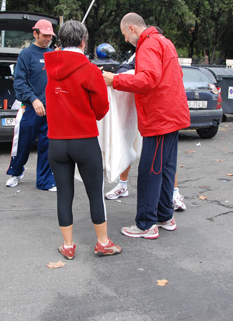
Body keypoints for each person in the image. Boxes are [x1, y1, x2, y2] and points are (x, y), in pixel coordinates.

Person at [102, 13, 190, 239]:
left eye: (124, 34)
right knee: (165, 168)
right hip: (171, 115)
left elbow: (148, 79)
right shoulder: (163, 41)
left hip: (160, 117)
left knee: (150, 171)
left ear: (132, 28)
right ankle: (164, 216)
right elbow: (171, 76)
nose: (125, 40)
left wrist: (115, 80)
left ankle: (146, 224)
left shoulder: (148, 45)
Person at [44, 20, 121, 259]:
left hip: (56, 141)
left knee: (64, 194)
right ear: (83, 41)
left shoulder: (49, 68)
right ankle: (102, 242)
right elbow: (102, 108)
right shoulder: (90, 70)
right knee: (95, 193)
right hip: (84, 140)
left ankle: (67, 246)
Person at [4, 19, 56, 191]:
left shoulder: (53, 55)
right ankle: (16, 172)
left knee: (47, 145)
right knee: (23, 143)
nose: (48, 39)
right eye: (45, 36)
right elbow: (19, 83)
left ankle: (45, 181)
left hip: (50, 110)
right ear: (35, 34)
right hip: (30, 108)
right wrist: (34, 99)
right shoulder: (26, 55)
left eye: (50, 36)